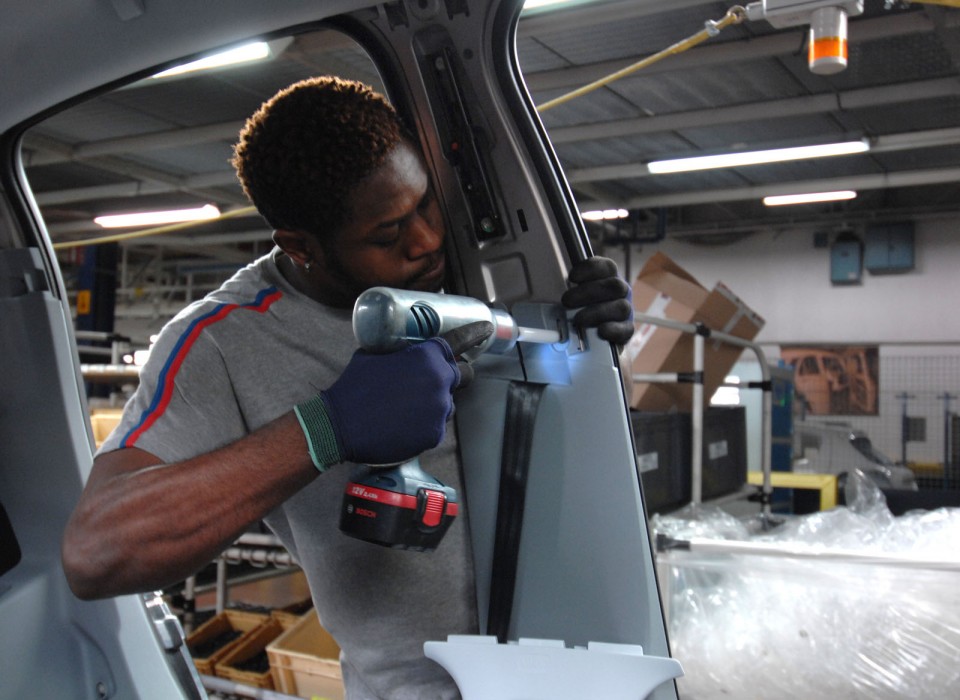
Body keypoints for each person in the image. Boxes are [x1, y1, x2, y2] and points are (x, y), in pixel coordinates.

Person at [62, 76, 634, 699]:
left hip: (580, 659)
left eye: (425, 205)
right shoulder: (224, 342)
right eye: (387, 234)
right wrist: (324, 428)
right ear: (301, 247)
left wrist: (592, 343)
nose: (426, 240)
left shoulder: (482, 261)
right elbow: (98, 552)